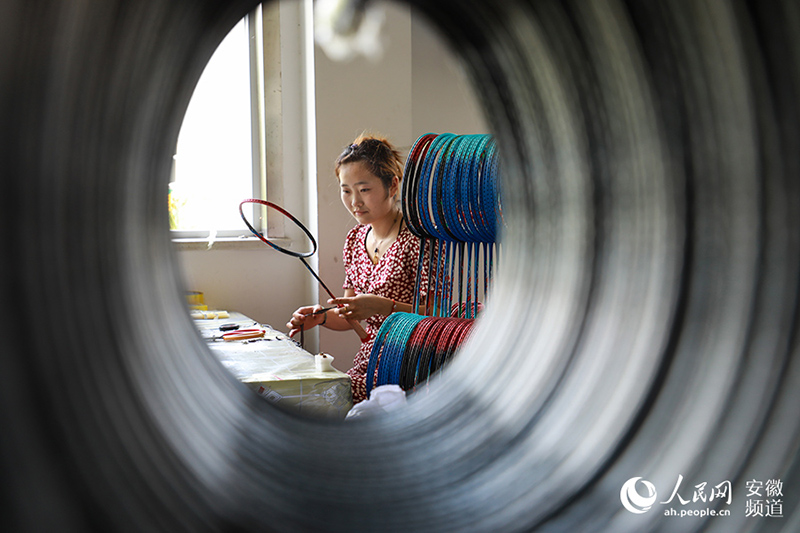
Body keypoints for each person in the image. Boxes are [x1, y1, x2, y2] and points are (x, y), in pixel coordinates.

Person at [287, 134, 428, 403]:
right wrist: (321, 318)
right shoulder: (355, 240)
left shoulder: (418, 239)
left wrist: (385, 307)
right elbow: (349, 313)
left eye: (364, 190)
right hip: (370, 360)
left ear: (392, 185)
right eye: (346, 190)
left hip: (414, 364)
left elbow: (438, 313)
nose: (355, 202)